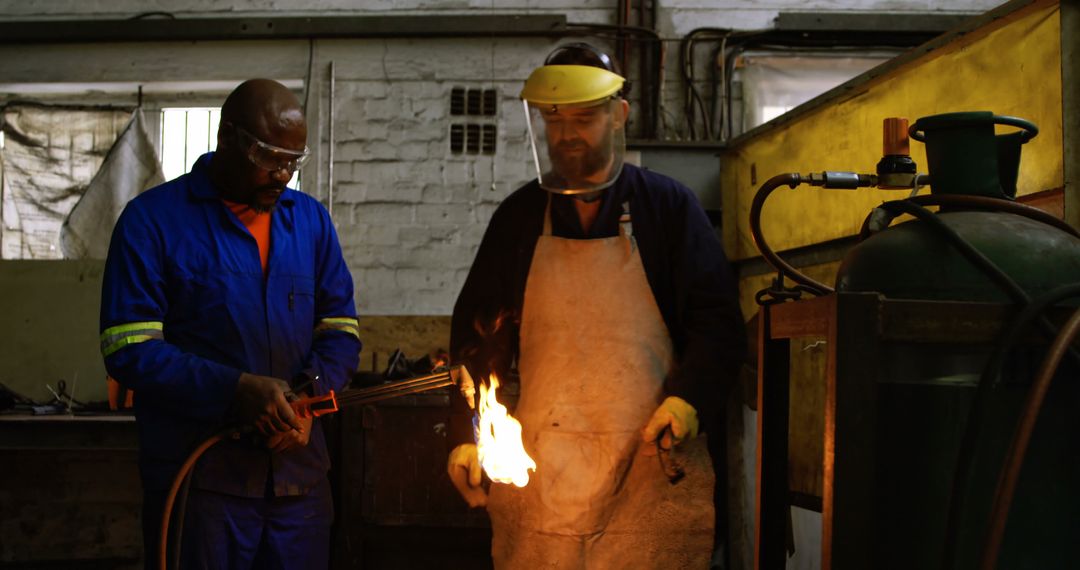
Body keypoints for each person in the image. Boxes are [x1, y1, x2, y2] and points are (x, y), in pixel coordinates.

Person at [446, 43, 746, 568]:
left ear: (619, 115)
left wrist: (689, 400)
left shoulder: (668, 208)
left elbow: (717, 324)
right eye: (553, 120)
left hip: (650, 463)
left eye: (583, 118)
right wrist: (470, 434)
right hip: (543, 472)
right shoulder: (518, 217)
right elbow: (476, 338)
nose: (566, 136)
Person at [100, 79, 361, 569]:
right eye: (269, 157)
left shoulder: (311, 223)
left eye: (292, 161)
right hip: (201, 485)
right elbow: (128, 348)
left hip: (298, 485)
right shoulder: (152, 222)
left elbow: (341, 331)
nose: (282, 174)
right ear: (228, 138)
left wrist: (305, 399)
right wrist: (234, 390)